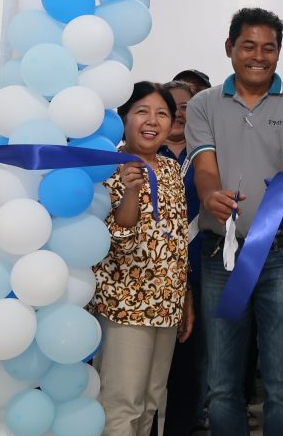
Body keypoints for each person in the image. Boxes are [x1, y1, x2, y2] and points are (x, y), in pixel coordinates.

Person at [185, 8, 283, 435]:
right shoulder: (204, 103)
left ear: (279, 53)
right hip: (218, 258)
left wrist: (260, 229)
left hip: (282, 255)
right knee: (222, 386)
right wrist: (210, 195)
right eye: (248, 46)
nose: (258, 56)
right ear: (230, 49)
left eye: (269, 48)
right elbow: (205, 166)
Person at [91, 81, 194, 436]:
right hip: (125, 304)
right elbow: (117, 236)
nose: (153, 121)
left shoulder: (170, 171)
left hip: (166, 304)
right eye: (142, 112)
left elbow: (178, 240)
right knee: (123, 404)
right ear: (124, 118)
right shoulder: (108, 166)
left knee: (152, 401)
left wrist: (185, 297)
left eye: (162, 113)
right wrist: (131, 189)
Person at [161, 79, 207, 436]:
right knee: (149, 370)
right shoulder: (140, 156)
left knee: (191, 365)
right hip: (154, 275)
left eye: (186, 106)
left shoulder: (208, 155)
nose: (178, 113)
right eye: (170, 105)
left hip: (202, 267)